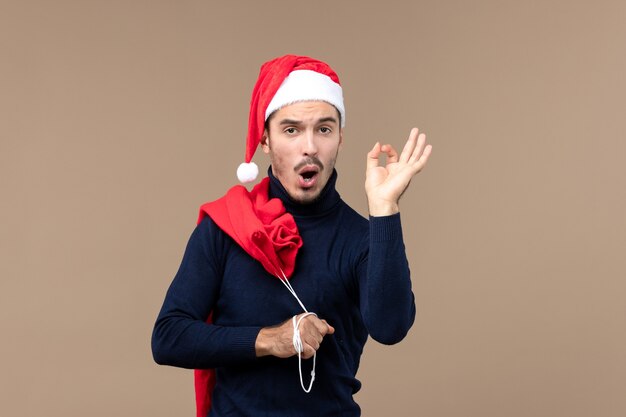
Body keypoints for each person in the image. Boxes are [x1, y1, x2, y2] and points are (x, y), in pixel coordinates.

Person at [152, 54, 432, 417]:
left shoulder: (361, 238)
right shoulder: (224, 226)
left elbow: (391, 328)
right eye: (291, 130)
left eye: (324, 129)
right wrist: (270, 339)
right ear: (265, 140)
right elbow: (169, 338)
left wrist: (384, 209)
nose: (310, 147)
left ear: (340, 139)